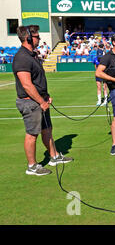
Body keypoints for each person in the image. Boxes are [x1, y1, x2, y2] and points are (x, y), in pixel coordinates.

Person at [13, 25, 73, 176]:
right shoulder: (22, 58)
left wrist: (46, 96)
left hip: (39, 100)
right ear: (28, 38)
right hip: (30, 103)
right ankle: (32, 166)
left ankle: (54, 157)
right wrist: (41, 101)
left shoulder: (32, 55)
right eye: (37, 37)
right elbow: (27, 85)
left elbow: (37, 81)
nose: (39, 39)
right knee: (32, 134)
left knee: (47, 130)